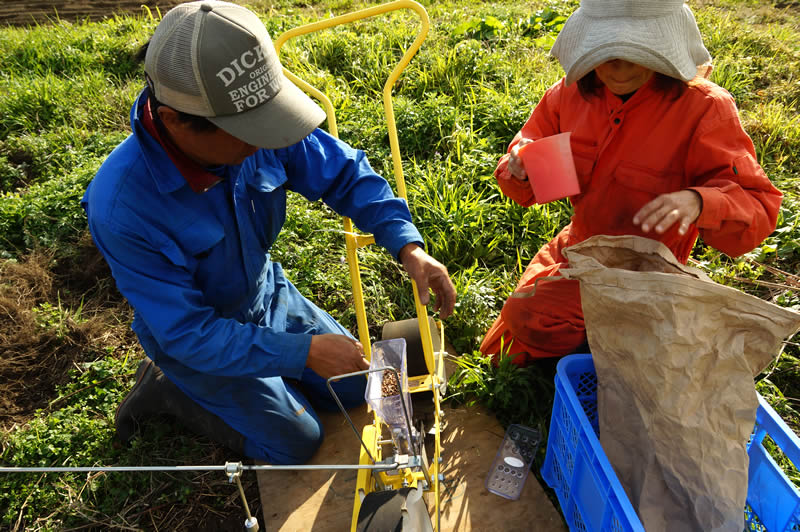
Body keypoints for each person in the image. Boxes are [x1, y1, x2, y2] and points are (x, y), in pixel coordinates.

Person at [82, 0, 456, 465]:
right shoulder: (122, 208)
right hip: (200, 339)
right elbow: (188, 331)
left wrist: (407, 245)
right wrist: (301, 353)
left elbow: (342, 173)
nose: (265, 142)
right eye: (247, 132)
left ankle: (281, 373)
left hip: (265, 295)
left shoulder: (255, 124)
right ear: (176, 120)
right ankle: (168, 389)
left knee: (362, 386)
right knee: (296, 442)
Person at [480, 0, 783, 366]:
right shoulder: (569, 94)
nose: (618, 67)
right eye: (606, 54)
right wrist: (522, 165)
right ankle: (620, 339)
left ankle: (625, 338)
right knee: (509, 340)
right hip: (580, 245)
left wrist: (699, 201)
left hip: (650, 268)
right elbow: (523, 162)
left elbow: (759, 206)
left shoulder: (704, 108)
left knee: (531, 318)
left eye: (635, 55)